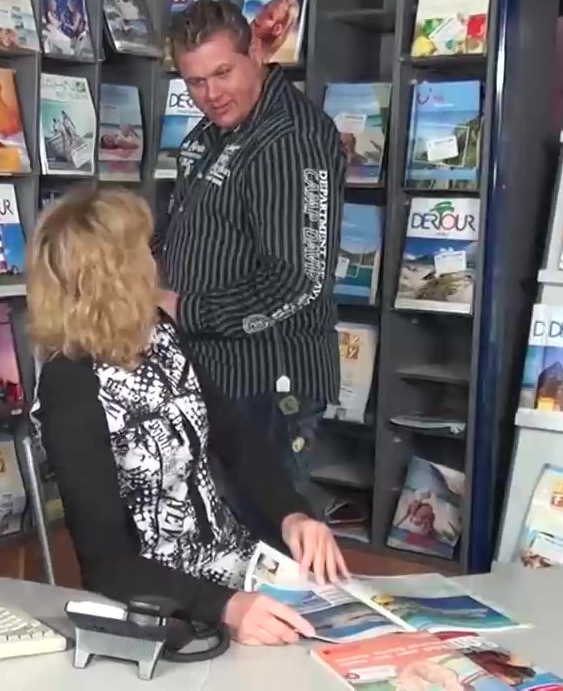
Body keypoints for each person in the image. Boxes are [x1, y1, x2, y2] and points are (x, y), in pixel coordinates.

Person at [28, 188, 348, 645]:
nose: (155, 262)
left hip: (238, 568)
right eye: (143, 249)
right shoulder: (70, 386)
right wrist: (226, 607)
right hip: (168, 604)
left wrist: (292, 515)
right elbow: (107, 565)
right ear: (114, 274)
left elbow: (235, 438)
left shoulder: (158, 334)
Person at [154, 0, 346, 505]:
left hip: (269, 388)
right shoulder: (209, 133)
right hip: (211, 375)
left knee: (266, 534)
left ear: (256, 53)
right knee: (216, 535)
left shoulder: (290, 139)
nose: (212, 94)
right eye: (196, 82)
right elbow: (187, 230)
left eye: (223, 73)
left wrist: (184, 309)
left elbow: (298, 281)